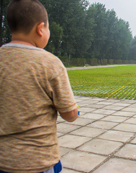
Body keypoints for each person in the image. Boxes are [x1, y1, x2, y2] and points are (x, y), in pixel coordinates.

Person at [0, 0, 79, 172]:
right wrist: (75, 111)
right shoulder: (50, 63)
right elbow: (69, 114)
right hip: (39, 162)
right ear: (40, 28)